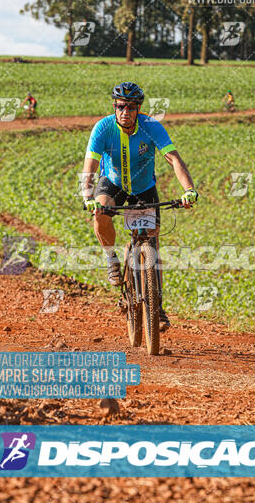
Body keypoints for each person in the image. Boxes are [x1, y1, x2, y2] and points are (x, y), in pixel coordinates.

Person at [82, 81, 199, 329]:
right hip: (112, 183)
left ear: (138, 109)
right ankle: (111, 258)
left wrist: (188, 190)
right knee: (100, 213)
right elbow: (90, 165)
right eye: (121, 106)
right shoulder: (103, 128)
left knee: (151, 245)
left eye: (132, 107)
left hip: (144, 187)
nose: (126, 112)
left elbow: (173, 158)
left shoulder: (151, 127)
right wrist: (87, 196)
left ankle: (157, 308)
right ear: (115, 107)